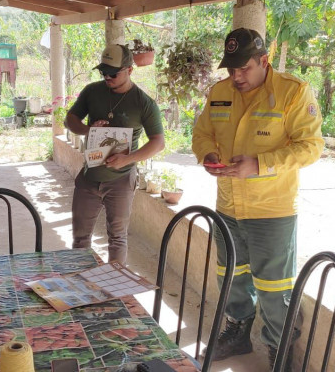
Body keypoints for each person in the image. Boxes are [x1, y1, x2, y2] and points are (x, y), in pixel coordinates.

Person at [192, 28, 324, 367]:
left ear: (264, 61)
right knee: (232, 275)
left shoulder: (292, 93)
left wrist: (261, 164)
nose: (236, 76)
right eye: (231, 69)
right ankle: (237, 333)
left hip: (272, 210)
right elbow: (202, 131)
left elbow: (310, 147)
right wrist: (208, 155)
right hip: (228, 206)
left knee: (273, 286)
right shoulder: (219, 92)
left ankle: (279, 345)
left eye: (244, 68)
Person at [66, 44, 165, 264]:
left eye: (113, 73)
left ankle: (116, 291)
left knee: (117, 238)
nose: (107, 77)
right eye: (103, 71)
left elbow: (158, 143)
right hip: (89, 178)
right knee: (80, 239)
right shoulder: (92, 91)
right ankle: (81, 287)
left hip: (121, 181)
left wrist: (127, 159)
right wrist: (87, 130)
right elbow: (70, 119)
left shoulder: (143, 103)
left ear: (129, 70)